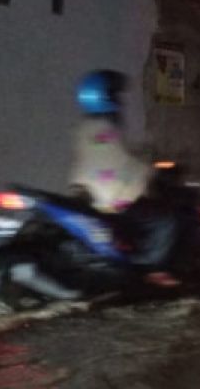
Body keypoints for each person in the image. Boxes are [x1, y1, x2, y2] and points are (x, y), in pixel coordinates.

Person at [68, 70, 179, 287]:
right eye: (115, 94)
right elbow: (120, 163)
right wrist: (151, 171)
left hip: (90, 194)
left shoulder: (85, 129)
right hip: (111, 199)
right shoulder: (105, 129)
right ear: (105, 97)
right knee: (167, 220)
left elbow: (113, 157)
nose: (120, 99)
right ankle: (155, 270)